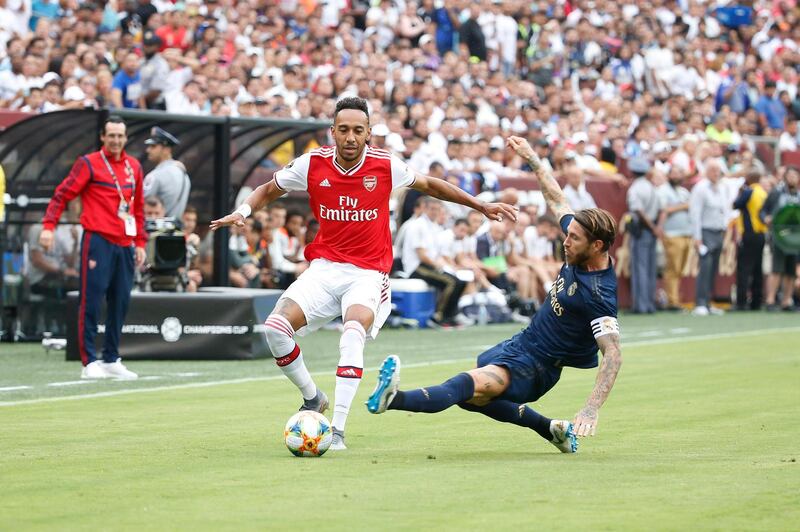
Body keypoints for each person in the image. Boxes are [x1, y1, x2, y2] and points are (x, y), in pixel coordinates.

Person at [210, 97, 516, 451]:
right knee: (275, 329)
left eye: (358, 130)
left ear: (369, 133)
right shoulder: (312, 164)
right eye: (344, 130)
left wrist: (479, 204)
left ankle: (337, 429)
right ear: (332, 133)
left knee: (352, 332)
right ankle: (313, 399)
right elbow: (269, 188)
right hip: (324, 268)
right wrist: (244, 210)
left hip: (368, 273)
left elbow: (431, 185)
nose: (351, 137)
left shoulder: (385, 165)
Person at [366, 136, 622, 455]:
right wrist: (532, 158)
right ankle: (551, 429)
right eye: (567, 234)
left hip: (538, 367)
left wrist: (591, 408)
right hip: (521, 343)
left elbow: (612, 354)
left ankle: (392, 398)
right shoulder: (579, 242)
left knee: (466, 385)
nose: (566, 242)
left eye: (574, 239)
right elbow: (557, 199)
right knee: (474, 402)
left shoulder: (599, 294)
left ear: (597, 246)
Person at [39, 116, 146, 379]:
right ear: (102, 137)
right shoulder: (88, 163)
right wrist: (48, 226)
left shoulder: (134, 166)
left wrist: (141, 242)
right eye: (111, 135)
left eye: (120, 136)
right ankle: (89, 361)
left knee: (120, 301)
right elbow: (63, 193)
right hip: (98, 240)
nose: (116, 140)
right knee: (91, 300)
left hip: (126, 243)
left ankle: (111, 358)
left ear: (126, 137)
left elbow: (139, 208)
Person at [689, 160, 729, 316]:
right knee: (705, 267)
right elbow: (695, 214)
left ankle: (708, 301)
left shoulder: (721, 188)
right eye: (713, 170)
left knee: (714, 269)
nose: (716, 173)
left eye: (718, 170)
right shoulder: (700, 188)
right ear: (706, 171)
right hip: (705, 231)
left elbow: (725, 209)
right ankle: (700, 302)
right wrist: (697, 237)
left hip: (718, 231)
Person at [761, 166, 800, 311]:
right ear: (785, 177)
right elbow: (763, 211)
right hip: (779, 236)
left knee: (791, 271)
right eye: (790, 176)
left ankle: (786, 301)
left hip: (795, 239)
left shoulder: (798, 195)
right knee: (776, 269)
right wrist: (766, 218)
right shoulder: (777, 193)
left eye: (795, 176)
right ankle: (770, 300)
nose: (792, 178)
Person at [626, 158, 661, 314]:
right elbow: (661, 208)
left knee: (640, 268)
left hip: (642, 229)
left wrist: (651, 226)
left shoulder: (635, 189)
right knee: (650, 268)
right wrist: (656, 227)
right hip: (652, 229)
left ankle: (641, 305)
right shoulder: (651, 187)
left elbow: (638, 210)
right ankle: (650, 304)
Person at [657, 165, 693, 310]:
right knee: (672, 268)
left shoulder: (683, 191)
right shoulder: (663, 191)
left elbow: (692, 206)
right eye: (674, 173)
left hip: (686, 233)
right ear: (668, 175)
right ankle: (672, 301)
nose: (677, 176)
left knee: (679, 269)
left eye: (679, 173)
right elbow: (664, 209)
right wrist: (683, 206)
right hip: (671, 233)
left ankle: (674, 298)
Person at [732, 170, 768, 311]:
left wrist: (740, 192)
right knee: (757, 268)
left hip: (749, 233)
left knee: (744, 268)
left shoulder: (749, 191)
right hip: (761, 234)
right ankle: (756, 302)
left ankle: (741, 302)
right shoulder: (763, 193)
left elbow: (736, 205)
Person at [143, 127, 190, 218]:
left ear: (166, 149)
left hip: (155, 229)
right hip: (175, 230)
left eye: (153, 146)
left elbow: (141, 205)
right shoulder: (183, 174)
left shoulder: (155, 175)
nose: (148, 150)